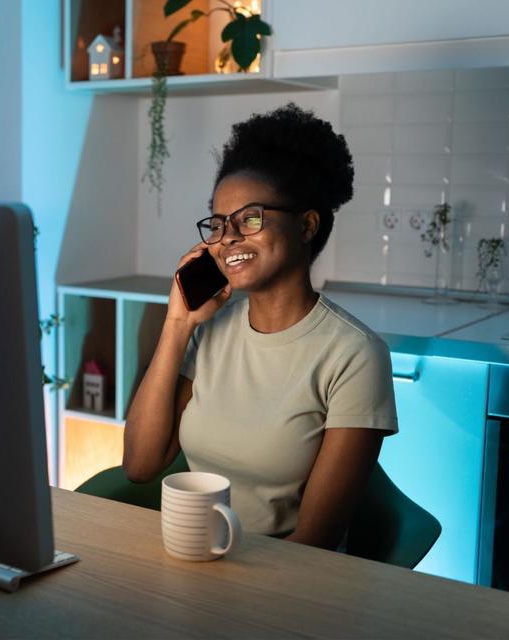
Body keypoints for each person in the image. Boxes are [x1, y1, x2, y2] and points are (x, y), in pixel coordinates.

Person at [123, 103, 398, 551]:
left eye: (250, 219)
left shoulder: (355, 354)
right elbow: (139, 464)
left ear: (307, 225)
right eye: (218, 223)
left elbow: (317, 540)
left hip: (286, 587)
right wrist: (177, 325)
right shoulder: (210, 330)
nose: (228, 237)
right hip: (197, 557)